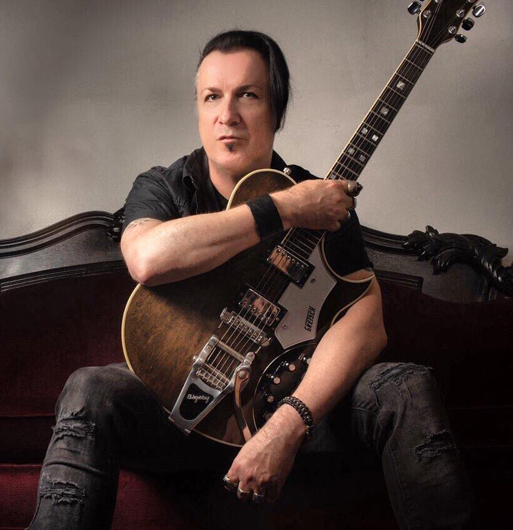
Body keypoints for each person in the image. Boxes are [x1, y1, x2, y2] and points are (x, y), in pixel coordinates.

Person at [27, 30, 472, 530]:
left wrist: (289, 423)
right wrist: (284, 209)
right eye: (212, 97)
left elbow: (365, 323)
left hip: (287, 412)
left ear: (276, 111)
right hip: (171, 416)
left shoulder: (321, 201)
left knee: (406, 386)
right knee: (89, 388)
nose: (227, 115)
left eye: (248, 95)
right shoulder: (166, 186)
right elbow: (147, 258)